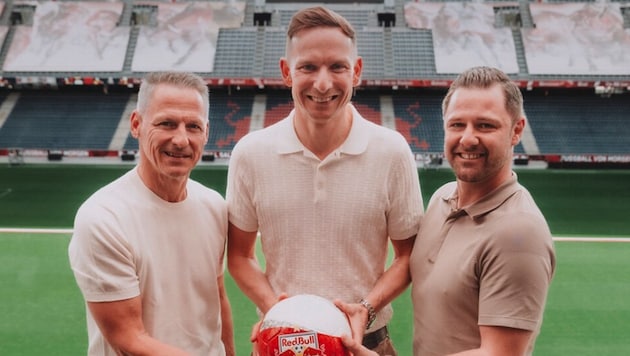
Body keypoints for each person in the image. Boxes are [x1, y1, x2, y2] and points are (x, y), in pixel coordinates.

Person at [226, 6, 423, 355]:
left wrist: (366, 308)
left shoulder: (392, 151)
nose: (322, 83)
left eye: (337, 67)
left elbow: (408, 256)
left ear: (357, 71)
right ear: (286, 72)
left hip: (367, 341)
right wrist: (276, 310)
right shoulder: (250, 153)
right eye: (308, 67)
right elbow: (240, 255)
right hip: (281, 340)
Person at [342, 66, 557, 356]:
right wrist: (366, 308)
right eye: (457, 125)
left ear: (516, 130)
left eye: (485, 126)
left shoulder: (518, 232)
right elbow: (408, 263)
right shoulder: (442, 199)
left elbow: (501, 353)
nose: (468, 139)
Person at [68, 71, 235, 356]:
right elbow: (129, 338)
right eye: (167, 124)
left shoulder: (214, 205)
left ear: (206, 132)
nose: (181, 140)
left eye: (193, 126)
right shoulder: (103, 218)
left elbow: (217, 297)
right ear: (137, 124)